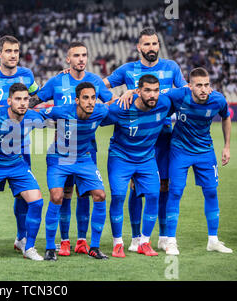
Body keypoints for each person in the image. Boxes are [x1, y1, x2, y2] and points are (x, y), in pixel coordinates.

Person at [103, 27, 187, 252]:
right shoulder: (127, 70)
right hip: (133, 136)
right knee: (133, 188)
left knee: (164, 187)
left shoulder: (172, 67)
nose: (152, 48)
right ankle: (135, 237)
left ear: (159, 45)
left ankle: (165, 237)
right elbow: (101, 86)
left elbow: (185, 90)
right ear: (139, 47)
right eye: (147, 44)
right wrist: (119, 96)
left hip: (164, 137)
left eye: (155, 43)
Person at [34, 41, 115, 256]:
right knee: (62, 195)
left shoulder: (95, 82)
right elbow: (37, 103)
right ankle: (63, 242)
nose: (81, 59)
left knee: (86, 194)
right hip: (61, 151)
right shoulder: (57, 81)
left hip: (87, 149)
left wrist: (129, 95)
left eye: (84, 55)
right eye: (76, 55)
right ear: (68, 59)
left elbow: (112, 104)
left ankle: (84, 242)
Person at [0, 35, 40, 253]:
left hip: (21, 147)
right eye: (8, 51)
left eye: (16, 51)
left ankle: (22, 238)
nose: (13, 55)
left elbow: (35, 99)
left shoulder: (27, 74)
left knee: (23, 194)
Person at [163, 67, 232, 255]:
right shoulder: (178, 95)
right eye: (199, 85)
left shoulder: (218, 99)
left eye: (207, 85)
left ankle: (213, 241)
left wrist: (226, 146)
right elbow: (155, 95)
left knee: (211, 192)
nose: (204, 89)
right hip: (180, 151)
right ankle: (170, 241)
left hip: (205, 152)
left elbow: (226, 117)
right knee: (175, 192)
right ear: (189, 86)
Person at [0, 83, 45, 263]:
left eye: (25, 99)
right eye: (18, 99)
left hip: (17, 165)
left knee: (37, 202)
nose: (22, 103)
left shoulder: (32, 116)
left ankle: (28, 247)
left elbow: (57, 115)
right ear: (9, 101)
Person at [103, 74, 173, 258]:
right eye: (148, 90)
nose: (153, 95)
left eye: (156, 90)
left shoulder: (164, 103)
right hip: (120, 157)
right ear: (138, 91)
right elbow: (97, 118)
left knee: (153, 195)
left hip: (146, 159)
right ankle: (118, 243)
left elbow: (186, 92)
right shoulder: (122, 107)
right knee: (118, 195)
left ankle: (144, 242)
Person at [40, 82, 110, 261]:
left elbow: (115, 106)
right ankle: (50, 248)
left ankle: (94, 246)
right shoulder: (62, 111)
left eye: (93, 98)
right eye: (86, 98)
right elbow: (37, 112)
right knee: (57, 197)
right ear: (77, 100)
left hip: (83, 159)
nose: (91, 102)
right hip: (59, 158)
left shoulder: (100, 111)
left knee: (100, 195)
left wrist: (130, 93)